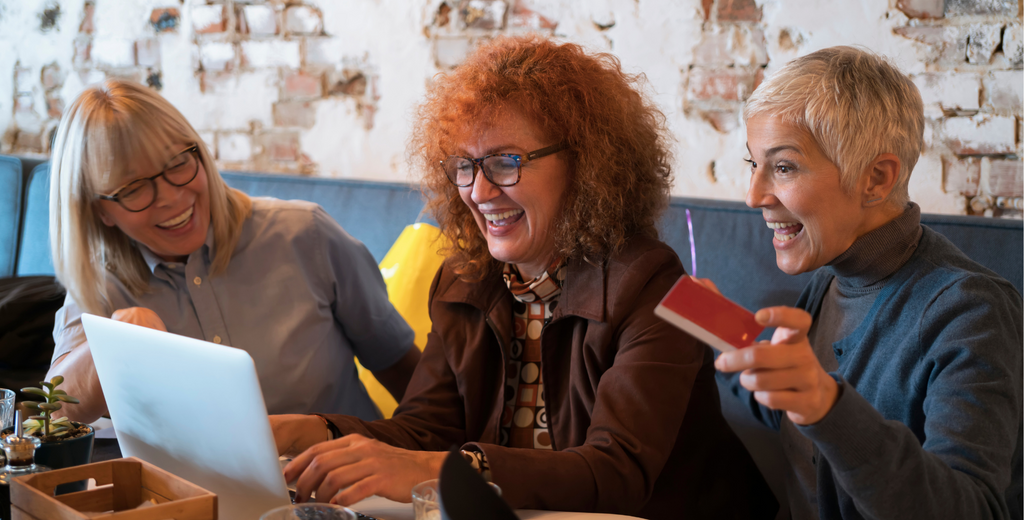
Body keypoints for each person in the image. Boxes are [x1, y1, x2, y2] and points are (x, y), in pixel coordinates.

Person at [271, 36, 776, 519]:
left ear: (585, 164)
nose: (479, 191)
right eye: (464, 166)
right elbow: (427, 430)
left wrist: (448, 468)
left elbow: (616, 471)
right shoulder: (463, 278)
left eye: (505, 162)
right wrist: (313, 431)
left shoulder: (651, 283)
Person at [711, 46, 1023, 520]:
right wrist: (717, 332)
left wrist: (828, 407)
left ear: (876, 178)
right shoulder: (829, 277)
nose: (752, 195)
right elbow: (799, 424)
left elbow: (973, 508)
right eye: (753, 163)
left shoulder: (971, 312)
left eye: (783, 166)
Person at [47, 80, 421, 423]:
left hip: (346, 491)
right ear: (99, 210)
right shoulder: (98, 289)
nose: (172, 198)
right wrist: (110, 344)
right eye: (133, 189)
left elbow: (408, 375)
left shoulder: (305, 235)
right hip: (196, 498)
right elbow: (47, 420)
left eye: (178, 163)